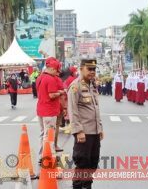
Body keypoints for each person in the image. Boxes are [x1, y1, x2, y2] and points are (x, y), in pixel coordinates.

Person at [68, 59, 104, 189]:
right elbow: (73, 110)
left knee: (93, 163)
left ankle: (87, 186)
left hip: (94, 132)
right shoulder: (75, 86)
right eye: (89, 69)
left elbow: (95, 108)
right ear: (81, 68)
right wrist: (78, 131)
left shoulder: (92, 85)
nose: (92, 72)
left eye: (94, 69)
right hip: (84, 133)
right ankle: (78, 187)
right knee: (82, 164)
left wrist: (100, 127)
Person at [36, 57, 62, 162]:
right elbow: (51, 95)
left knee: (43, 134)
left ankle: (41, 155)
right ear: (51, 68)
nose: (57, 73)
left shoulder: (40, 77)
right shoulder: (50, 79)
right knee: (49, 135)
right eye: (56, 70)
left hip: (41, 109)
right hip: (49, 111)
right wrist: (60, 92)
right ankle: (49, 158)